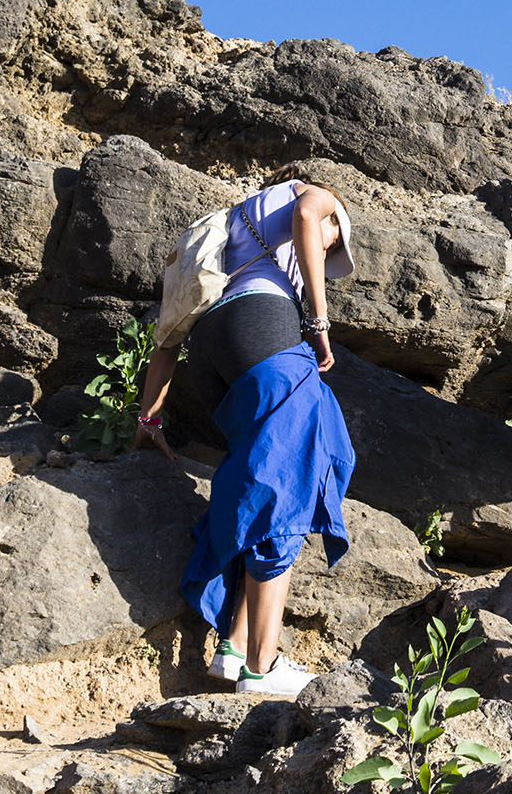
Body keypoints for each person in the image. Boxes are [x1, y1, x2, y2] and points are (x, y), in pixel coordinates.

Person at [134, 164, 358, 697]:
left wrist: (149, 420)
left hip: (210, 352)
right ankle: (263, 664)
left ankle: (233, 648)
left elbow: (166, 342)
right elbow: (308, 214)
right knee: (291, 479)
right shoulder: (312, 196)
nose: (327, 251)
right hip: (265, 330)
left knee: (259, 477)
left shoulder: (233, 223)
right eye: (335, 242)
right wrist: (319, 322)